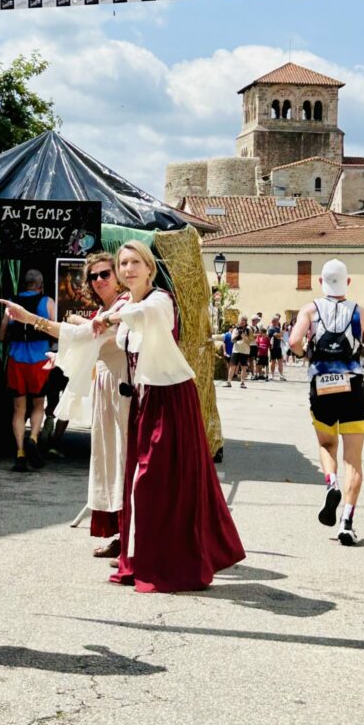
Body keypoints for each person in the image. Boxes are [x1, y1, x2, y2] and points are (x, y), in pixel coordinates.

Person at [92, 241, 245, 591]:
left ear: (150, 268)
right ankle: (139, 561)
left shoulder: (160, 300)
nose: (128, 269)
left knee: (153, 484)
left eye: (135, 263)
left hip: (172, 399)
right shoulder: (126, 304)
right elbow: (94, 336)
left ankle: (168, 565)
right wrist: (37, 322)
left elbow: (143, 317)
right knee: (140, 486)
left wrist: (111, 316)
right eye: (123, 264)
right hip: (145, 403)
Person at [1, 252, 131, 560]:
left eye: (105, 274)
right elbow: (91, 343)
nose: (99, 281)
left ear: (118, 276)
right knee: (108, 462)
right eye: (93, 277)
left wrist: (29, 318)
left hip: (123, 391)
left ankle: (131, 537)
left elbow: (81, 334)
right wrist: (58, 357)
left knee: (122, 461)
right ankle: (121, 534)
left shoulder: (123, 306)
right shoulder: (107, 308)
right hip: (106, 388)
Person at [289, 259, 364, 546]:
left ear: (320, 282)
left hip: (322, 385)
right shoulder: (361, 313)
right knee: (353, 459)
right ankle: (347, 522)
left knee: (327, 444)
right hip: (353, 386)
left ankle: (331, 483)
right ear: (348, 283)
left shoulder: (310, 309)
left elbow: (293, 342)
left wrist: (306, 354)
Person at [0, 269, 55, 472]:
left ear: (24, 284)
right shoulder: (47, 301)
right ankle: (33, 438)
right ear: (40, 285)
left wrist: (3, 338)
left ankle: (20, 452)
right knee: (39, 404)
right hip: (40, 360)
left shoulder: (12, 302)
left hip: (16, 360)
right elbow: (54, 328)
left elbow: (2, 331)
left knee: (19, 409)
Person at [226, 316, 251, 388]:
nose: (242, 322)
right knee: (232, 366)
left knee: (244, 367)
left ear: (246, 322)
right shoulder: (235, 330)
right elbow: (232, 340)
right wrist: (238, 335)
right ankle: (229, 381)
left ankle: (242, 382)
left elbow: (249, 342)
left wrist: (244, 336)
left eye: (244, 321)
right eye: (241, 321)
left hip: (245, 351)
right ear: (239, 321)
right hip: (236, 350)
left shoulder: (249, 330)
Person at [268, 314, 286, 380]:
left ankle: (281, 375)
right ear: (274, 321)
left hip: (278, 347)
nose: (278, 322)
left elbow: (279, 336)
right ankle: (272, 375)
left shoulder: (277, 328)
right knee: (273, 361)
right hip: (273, 347)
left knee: (280, 361)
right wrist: (281, 334)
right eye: (277, 321)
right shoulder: (271, 328)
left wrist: (280, 336)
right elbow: (276, 335)